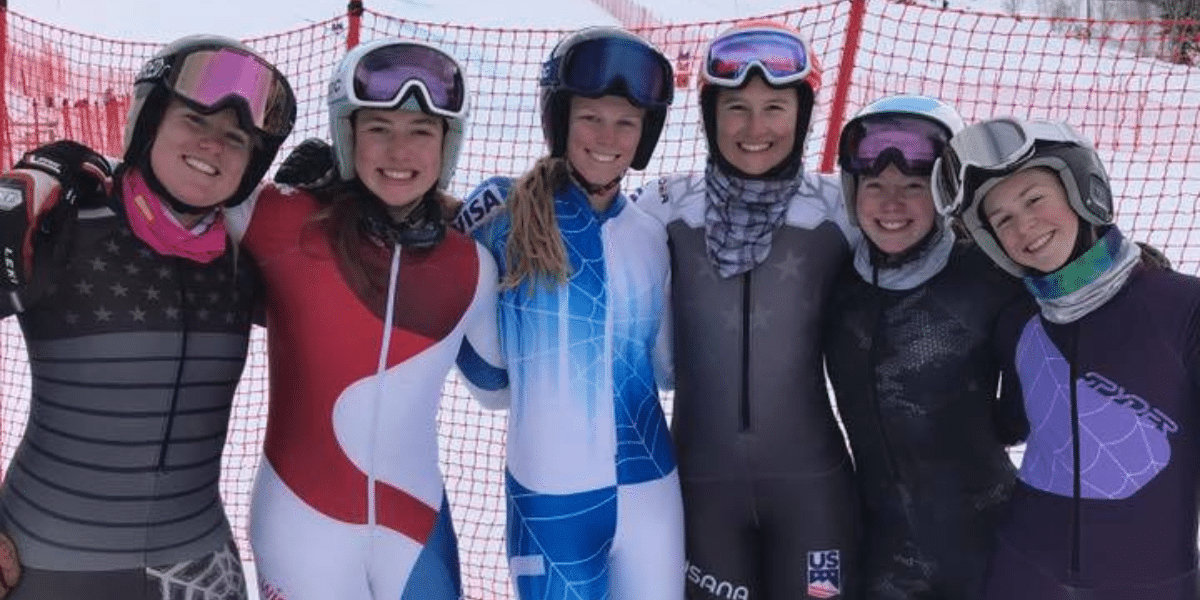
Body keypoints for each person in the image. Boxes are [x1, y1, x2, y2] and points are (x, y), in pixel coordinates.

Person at [0, 34, 296, 599]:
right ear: (148, 121)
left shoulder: (245, 252)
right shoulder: (62, 219)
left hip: (200, 570)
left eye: (236, 138)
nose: (213, 145)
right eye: (195, 120)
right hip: (45, 561)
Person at [224, 38, 505, 600]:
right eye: (378, 129)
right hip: (302, 525)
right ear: (347, 136)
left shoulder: (472, 264)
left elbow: (496, 388)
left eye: (421, 131)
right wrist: (58, 172)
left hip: (417, 528)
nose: (399, 151)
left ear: (448, 144)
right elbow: (166, 194)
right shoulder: (281, 219)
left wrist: (521, 262)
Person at [632, 20, 861, 600]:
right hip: (702, 494)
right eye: (736, 108)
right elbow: (585, 226)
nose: (756, 129)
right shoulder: (664, 207)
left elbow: (935, 242)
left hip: (814, 495)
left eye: (775, 108)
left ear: (802, 116)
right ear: (710, 116)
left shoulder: (842, 210)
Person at [934, 116, 1200, 599]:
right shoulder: (1016, 323)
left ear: (1082, 189)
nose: (1024, 226)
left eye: (1034, 199)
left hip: (1153, 583)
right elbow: (1011, 425)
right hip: (1022, 573)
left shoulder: (1183, 308)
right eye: (1002, 220)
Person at [463, 25, 683, 600]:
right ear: (559, 118)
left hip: (653, 496)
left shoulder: (652, 233)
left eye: (627, 122)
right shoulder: (502, 216)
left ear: (647, 133)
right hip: (551, 504)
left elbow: (666, 370)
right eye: (590, 117)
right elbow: (491, 387)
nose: (608, 137)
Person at [823, 95, 1024, 600]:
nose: (891, 204)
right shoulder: (834, 282)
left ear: (945, 193)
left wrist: (1121, 264)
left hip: (992, 551)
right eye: (874, 186)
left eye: (913, 186)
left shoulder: (991, 274)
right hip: (884, 561)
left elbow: (1069, 280)